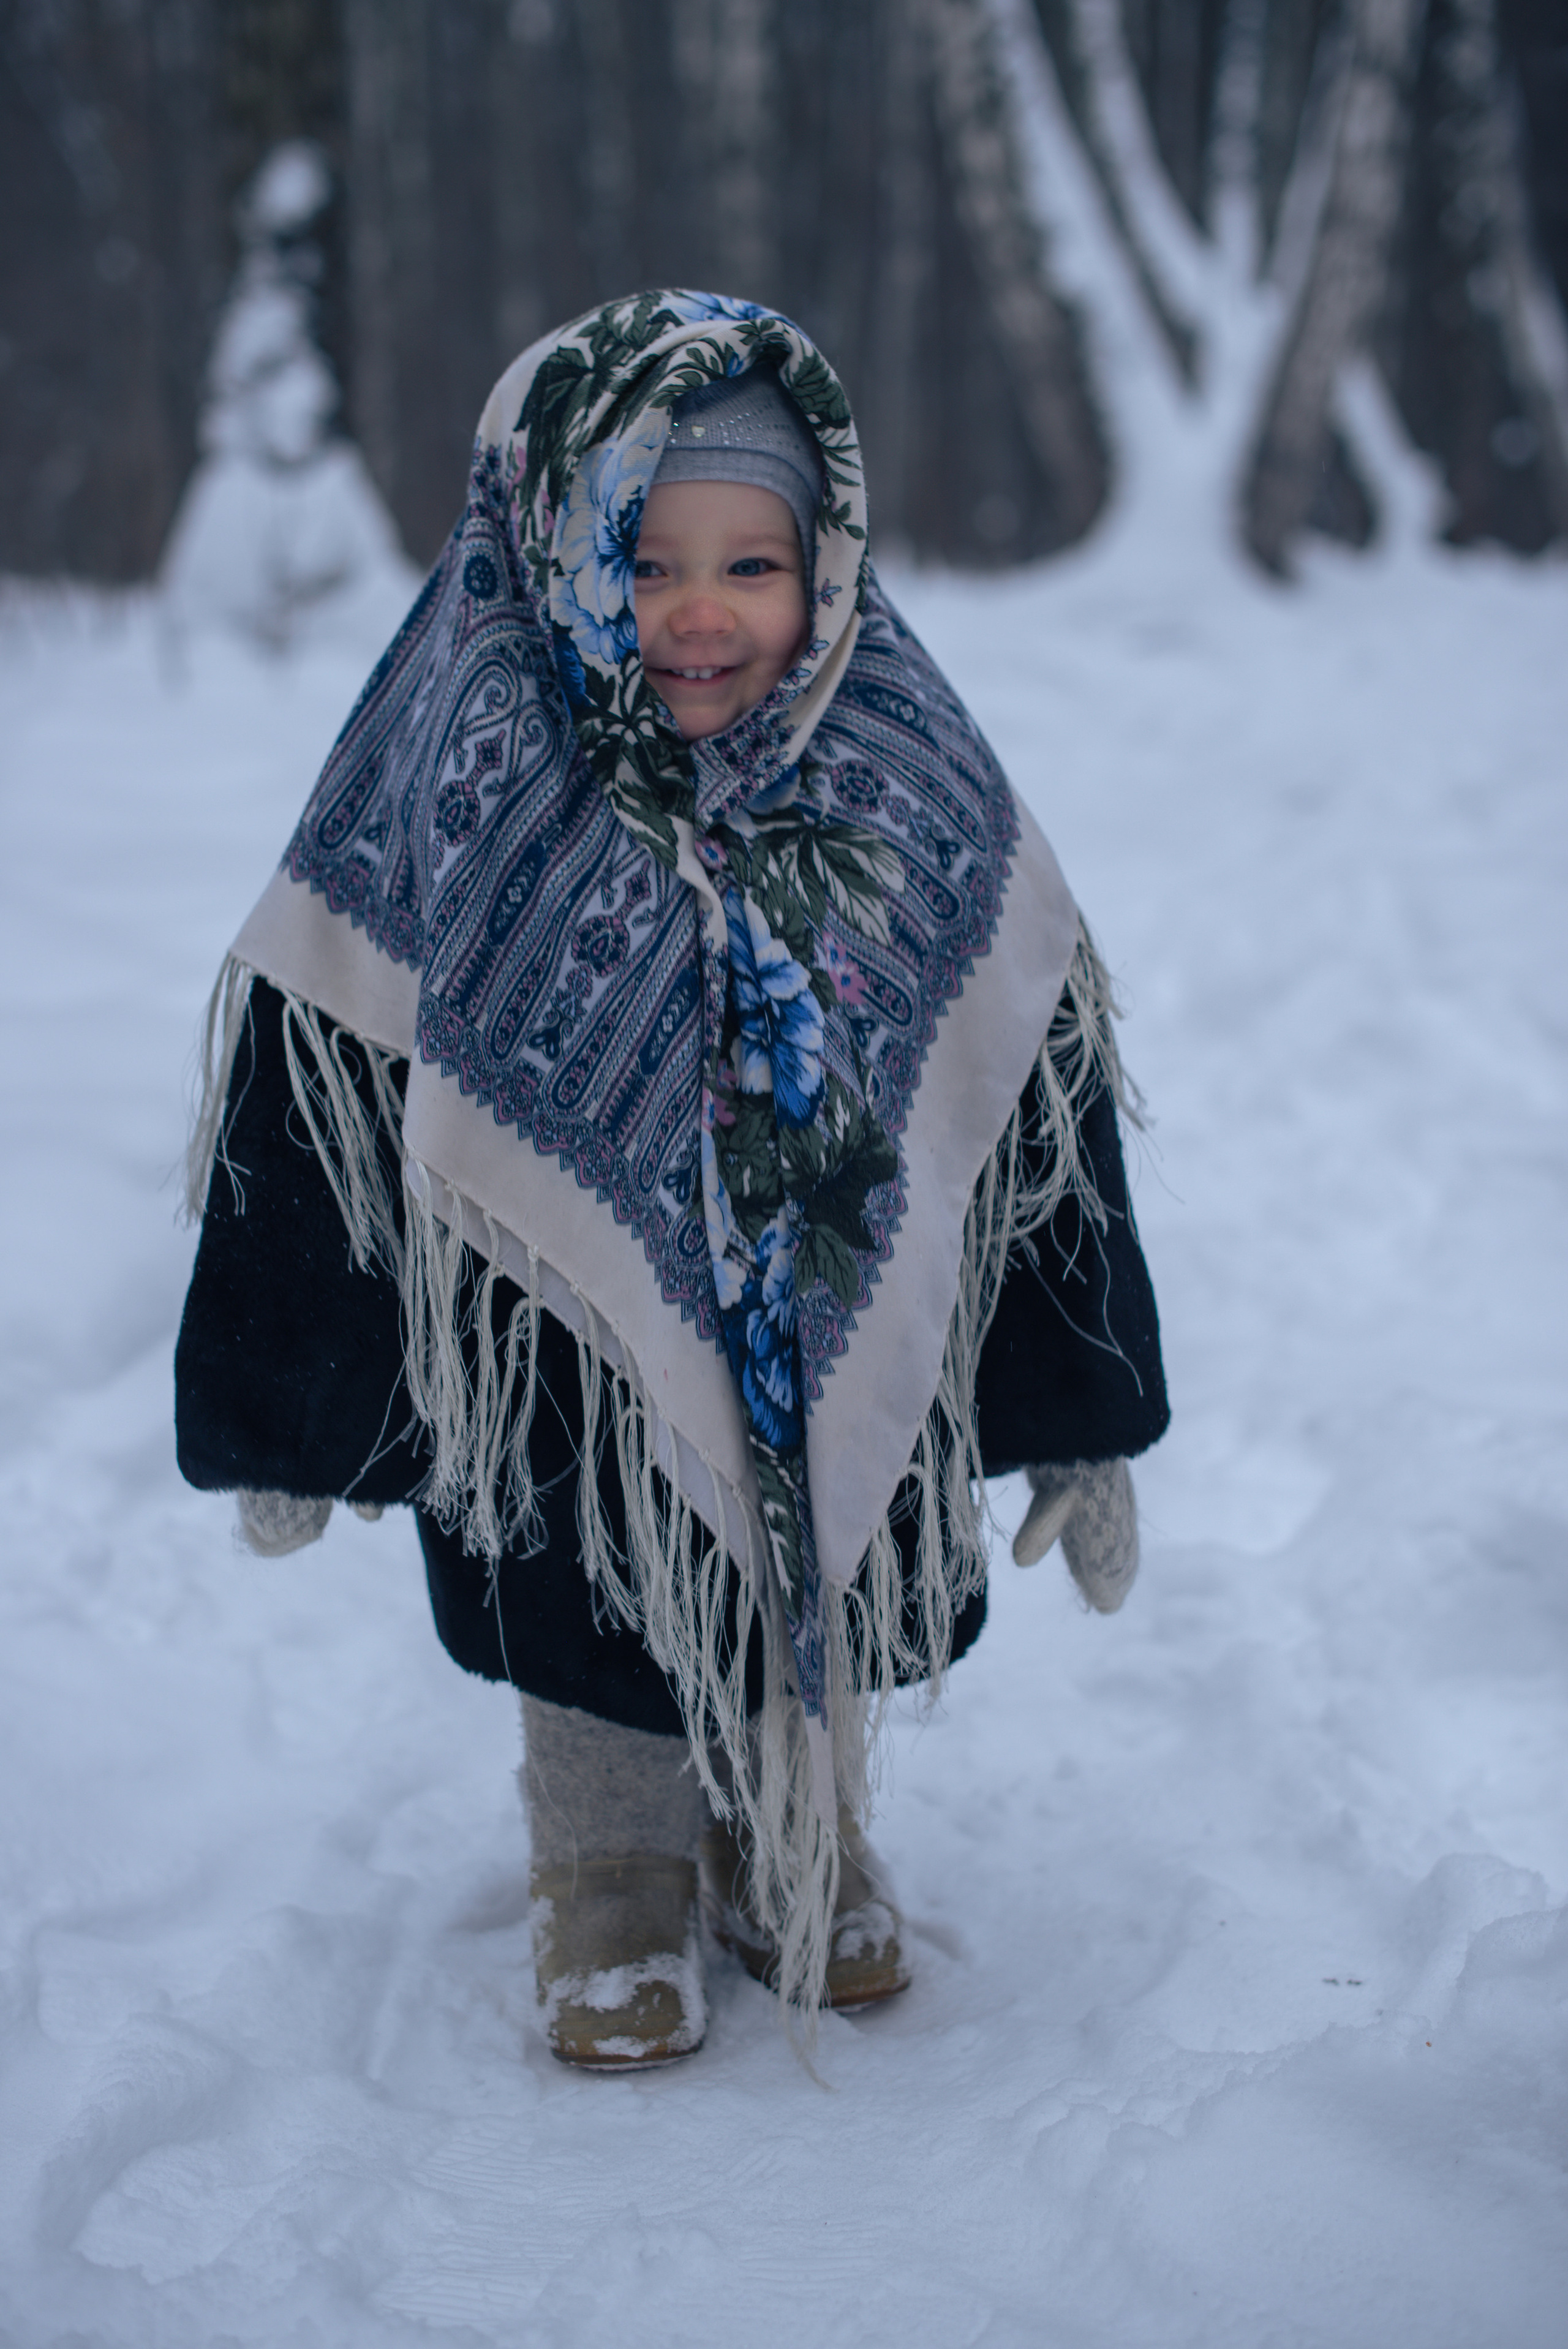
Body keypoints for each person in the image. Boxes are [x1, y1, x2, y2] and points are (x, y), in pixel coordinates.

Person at [176, 290, 1168, 2070]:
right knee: (587, 1577)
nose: (704, 612)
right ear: (550, 539)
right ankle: (613, 1862)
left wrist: (1078, 1406)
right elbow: (327, 1049)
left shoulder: (902, 761)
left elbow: (1022, 1087)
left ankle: (797, 1825)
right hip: (559, 1342)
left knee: (824, 1547)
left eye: (755, 562)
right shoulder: (465, 753)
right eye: (647, 556)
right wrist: (286, 1411)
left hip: (827, 1294)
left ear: (829, 555)